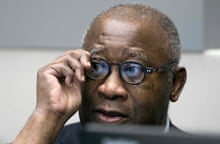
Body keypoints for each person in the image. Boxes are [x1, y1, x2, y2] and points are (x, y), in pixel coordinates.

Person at [13, 3, 187, 144]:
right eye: (97, 66)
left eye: (133, 69)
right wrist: (45, 116)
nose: (110, 89)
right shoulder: (50, 140)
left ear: (175, 84)